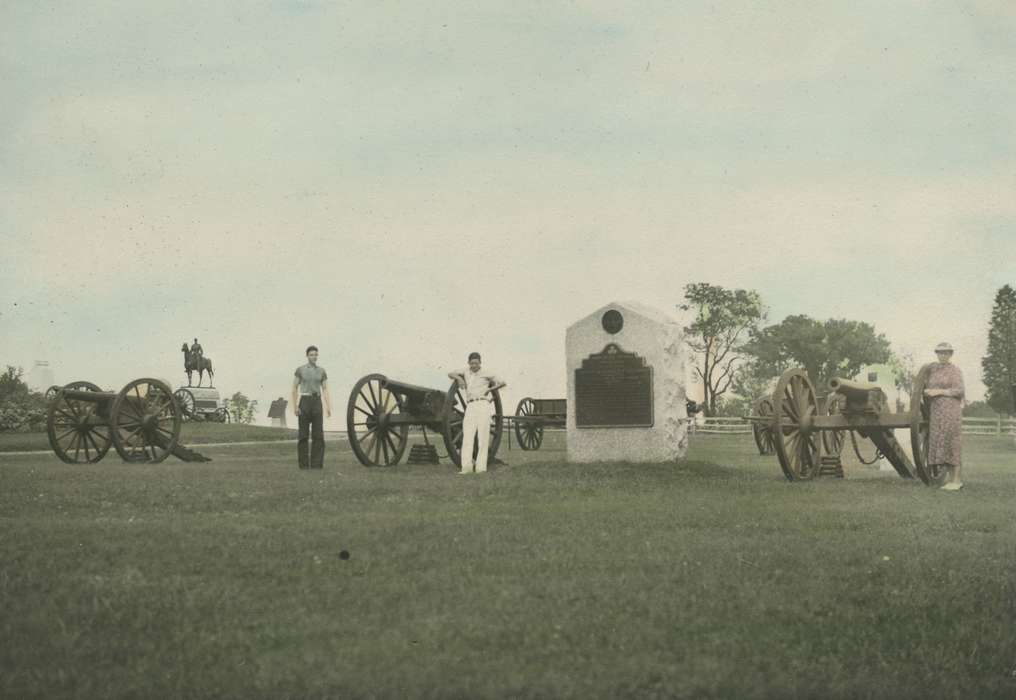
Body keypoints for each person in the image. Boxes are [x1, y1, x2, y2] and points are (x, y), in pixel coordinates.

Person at [448, 352, 506, 474]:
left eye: (476, 363)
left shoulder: (487, 373)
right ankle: (466, 468)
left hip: (483, 405)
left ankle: (480, 468)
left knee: (482, 437)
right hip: (470, 406)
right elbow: (450, 373)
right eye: (472, 363)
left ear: (480, 363)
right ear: (468, 363)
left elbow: (502, 382)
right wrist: (459, 379)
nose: (474, 365)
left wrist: (490, 389)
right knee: (467, 437)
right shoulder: (465, 372)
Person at [924, 342, 965, 490]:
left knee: (951, 441)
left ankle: (957, 480)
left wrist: (938, 392)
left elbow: (959, 390)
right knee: (941, 442)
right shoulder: (933, 370)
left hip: (950, 410)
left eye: (946, 353)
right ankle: (950, 479)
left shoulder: (955, 370)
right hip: (936, 411)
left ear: (950, 354)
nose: (942, 355)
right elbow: (922, 378)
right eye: (940, 353)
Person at [292, 345, 332, 469]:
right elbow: (294, 388)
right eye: (311, 355)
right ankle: (303, 466)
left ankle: (316, 465)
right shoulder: (300, 370)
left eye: (315, 354)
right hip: (304, 401)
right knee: (303, 435)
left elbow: (325, 389)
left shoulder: (322, 371)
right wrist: (295, 407)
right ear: (307, 356)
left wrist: (328, 406)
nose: (314, 357)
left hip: (317, 402)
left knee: (318, 435)